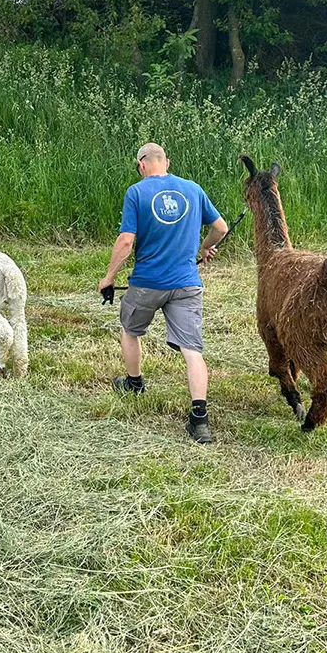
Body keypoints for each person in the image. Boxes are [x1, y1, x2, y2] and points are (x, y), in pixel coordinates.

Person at [97, 143, 229, 444]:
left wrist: (109, 277)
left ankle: (134, 383)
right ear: (166, 162)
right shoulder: (193, 189)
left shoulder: (137, 192)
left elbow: (127, 241)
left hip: (147, 282)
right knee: (192, 350)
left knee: (130, 329)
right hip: (187, 284)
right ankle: (199, 420)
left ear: (141, 164)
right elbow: (220, 228)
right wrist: (204, 247)